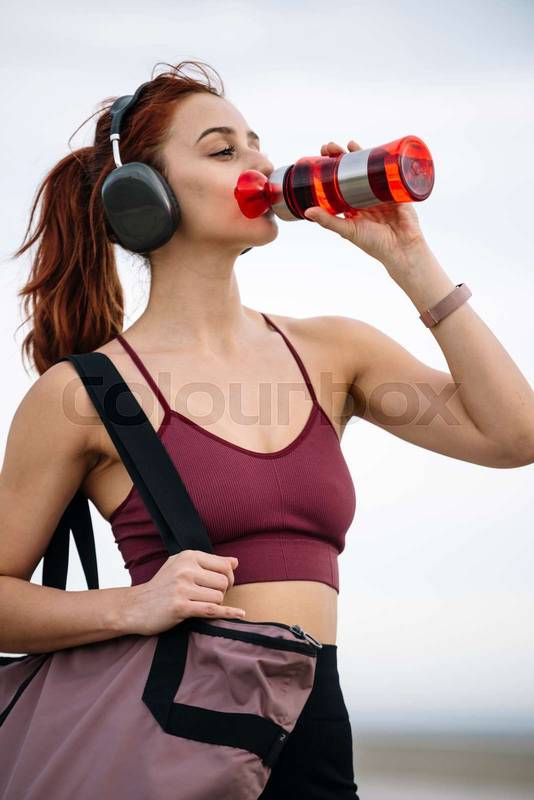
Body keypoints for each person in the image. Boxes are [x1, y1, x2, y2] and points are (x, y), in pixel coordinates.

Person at [2, 59, 534, 799]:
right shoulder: (86, 393)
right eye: (223, 150)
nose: (260, 163)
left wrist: (411, 260)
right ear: (142, 197)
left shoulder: (333, 352)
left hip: (317, 738)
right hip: (177, 739)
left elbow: (515, 436)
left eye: (257, 143)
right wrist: (129, 605)